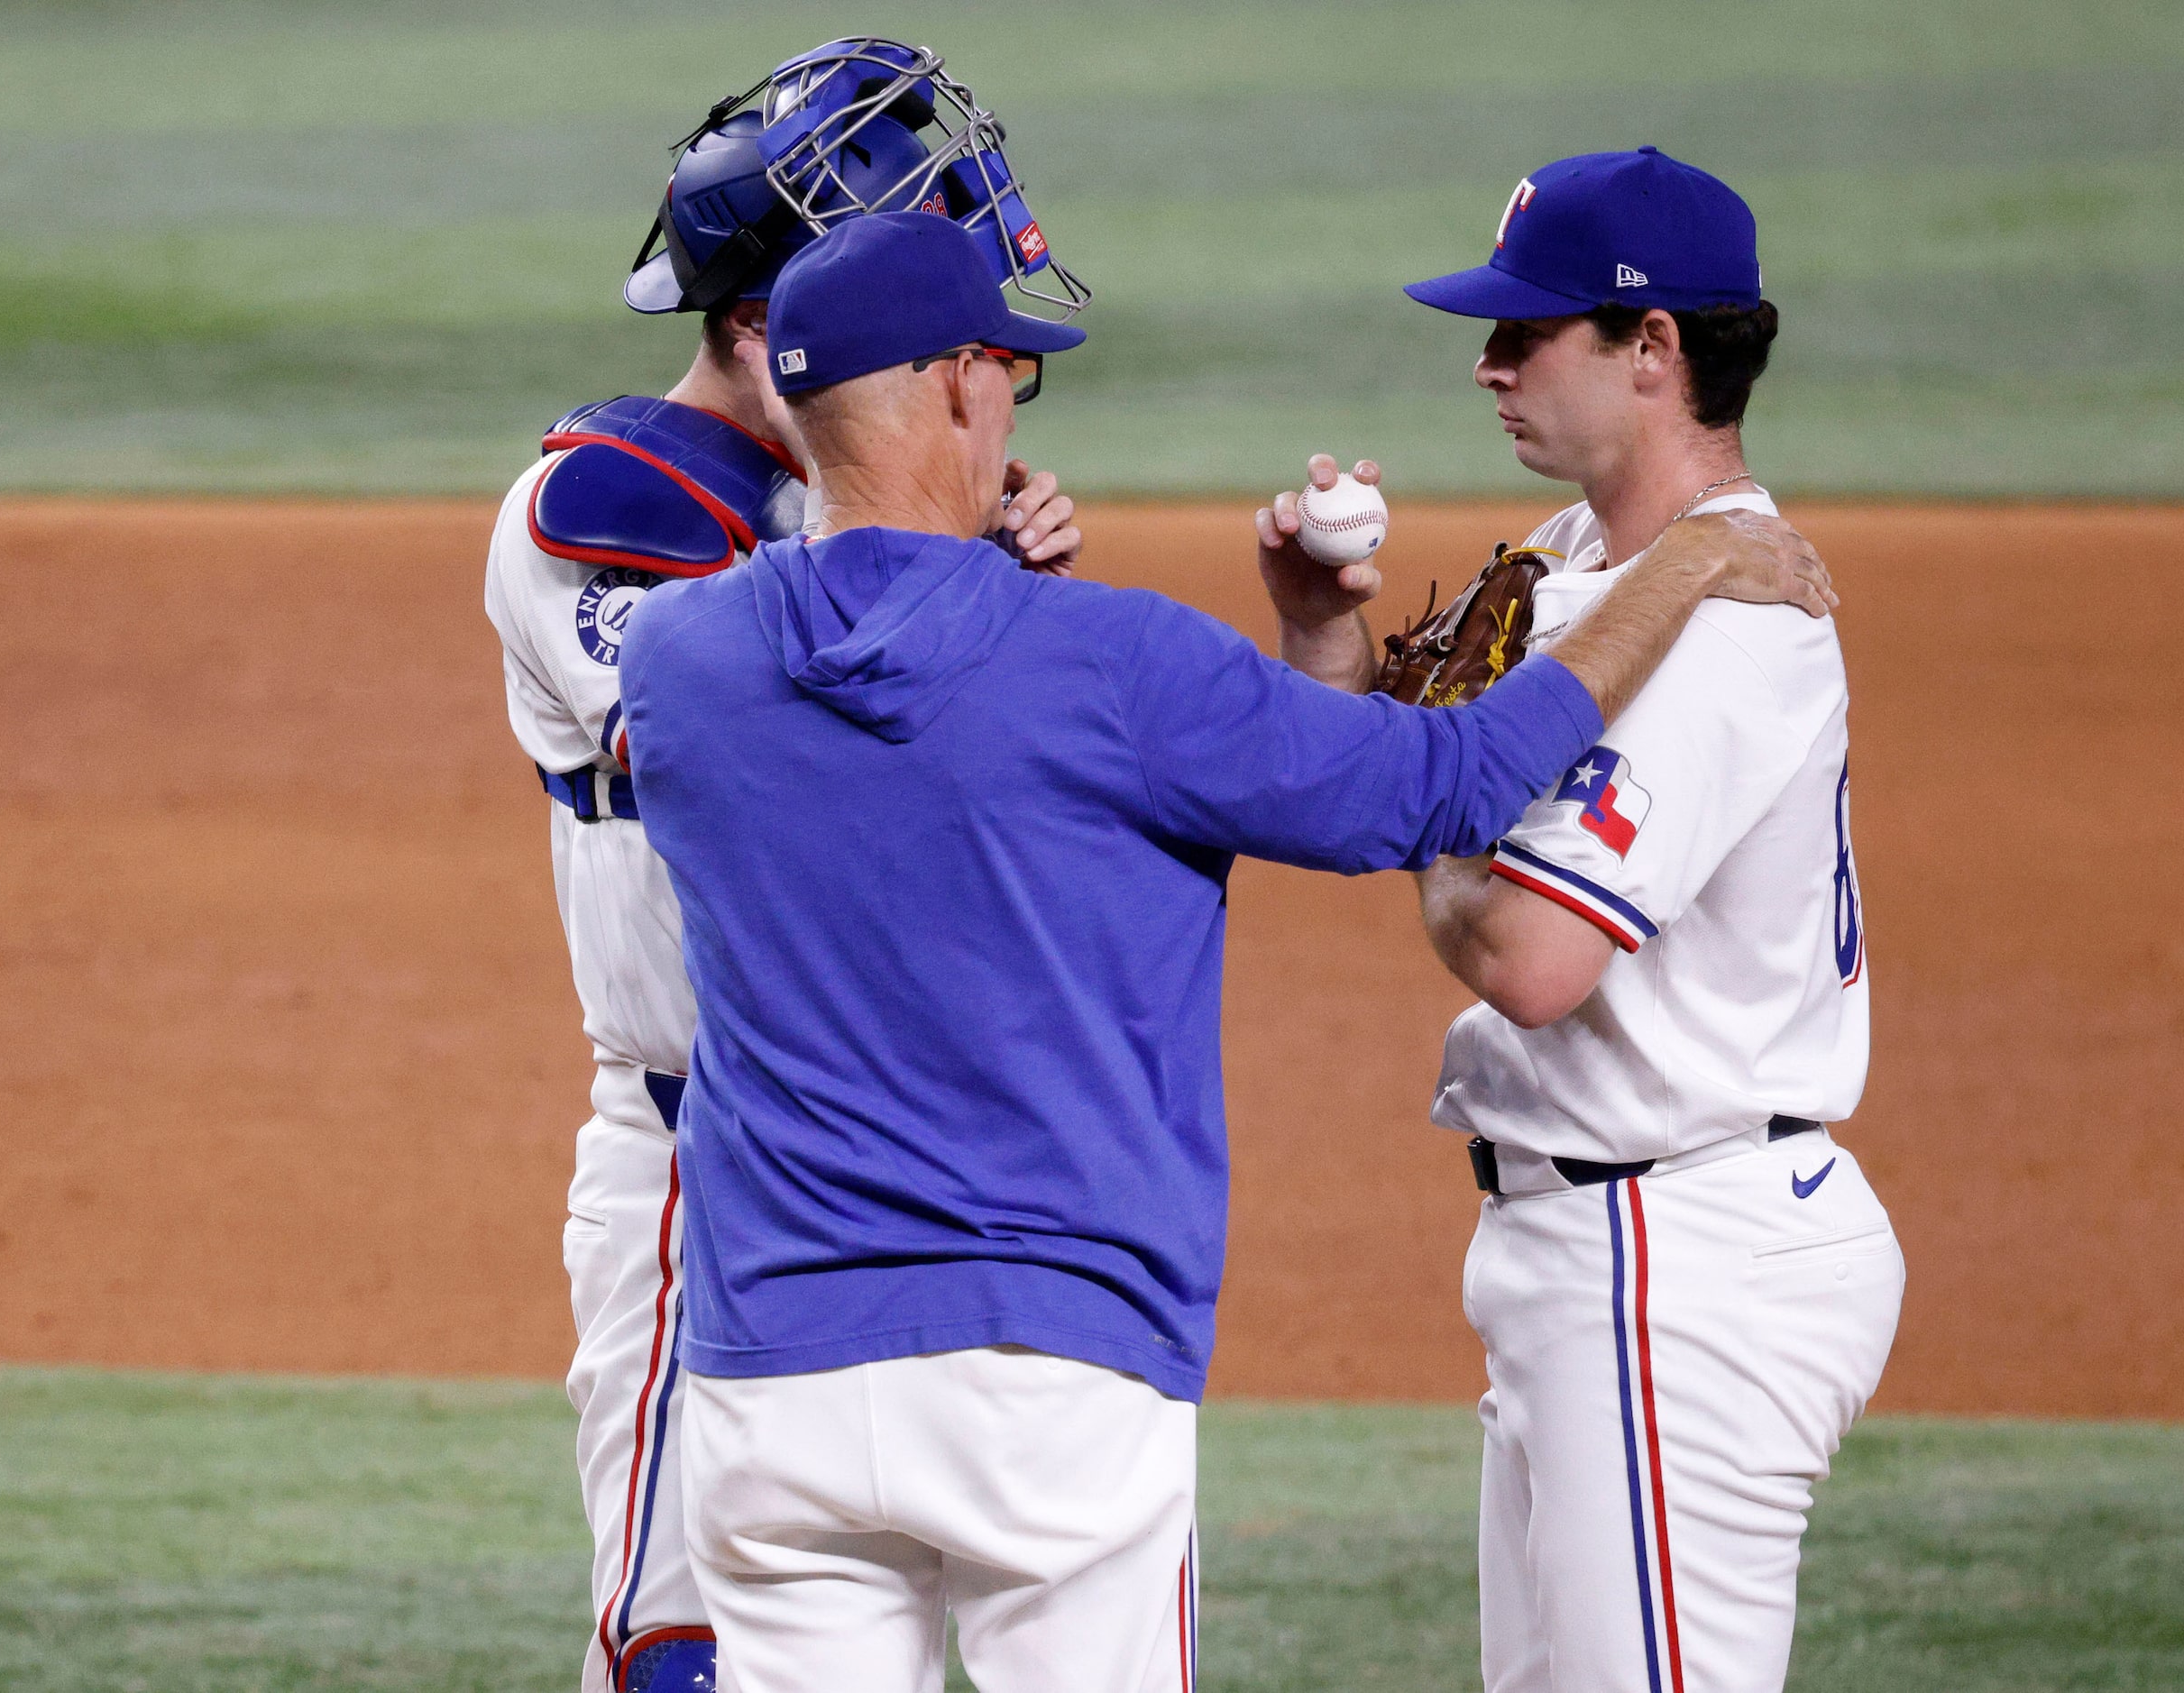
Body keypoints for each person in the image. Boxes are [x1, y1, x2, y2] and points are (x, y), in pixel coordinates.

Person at [615, 207, 1834, 1693]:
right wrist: (1680, 574)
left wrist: (966, 570)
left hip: (772, 1372)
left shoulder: (680, 668)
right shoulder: (1118, 663)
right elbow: (1433, 790)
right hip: (1047, 1374)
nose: (1011, 400)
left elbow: (886, 695)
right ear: (953, 385)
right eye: (1009, 370)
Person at [480, 40, 1085, 1693]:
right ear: (755, 327)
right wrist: (946, 570)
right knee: (695, 1649)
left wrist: (984, 581)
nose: (974, 370)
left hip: (931, 1168)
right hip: (713, 1161)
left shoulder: (888, 517)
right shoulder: (602, 508)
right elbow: (768, 737)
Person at [1271, 146, 1904, 1692]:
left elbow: (1529, 954)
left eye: (1530, 330)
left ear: (1653, 347)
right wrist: (1320, 634)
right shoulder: (1579, 572)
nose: (1486, 362)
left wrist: (1442, 805)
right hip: (1598, 1242)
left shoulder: (1728, 613)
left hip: (1676, 1252)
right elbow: (1365, 795)